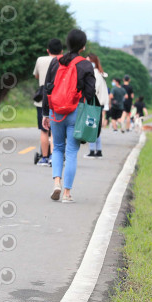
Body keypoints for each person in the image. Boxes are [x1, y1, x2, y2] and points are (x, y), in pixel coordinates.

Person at [42, 29, 95, 203]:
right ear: (83, 46)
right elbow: (90, 93)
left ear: (67, 44)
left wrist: (45, 113)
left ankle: (56, 182)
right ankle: (66, 193)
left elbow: (47, 88)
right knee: (71, 152)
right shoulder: (86, 65)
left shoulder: (56, 62)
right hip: (76, 113)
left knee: (57, 148)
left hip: (56, 111)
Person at [33, 38, 63, 166]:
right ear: (61, 51)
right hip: (59, 99)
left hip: (43, 99)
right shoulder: (64, 61)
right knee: (56, 130)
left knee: (44, 130)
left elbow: (36, 75)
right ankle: (53, 157)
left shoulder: (40, 60)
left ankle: (44, 158)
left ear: (47, 50)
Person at [84, 53, 107, 159]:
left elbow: (92, 90)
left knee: (91, 127)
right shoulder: (100, 73)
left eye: (88, 61)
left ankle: (93, 151)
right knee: (95, 128)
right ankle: (99, 151)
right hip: (99, 103)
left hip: (94, 103)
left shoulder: (94, 74)